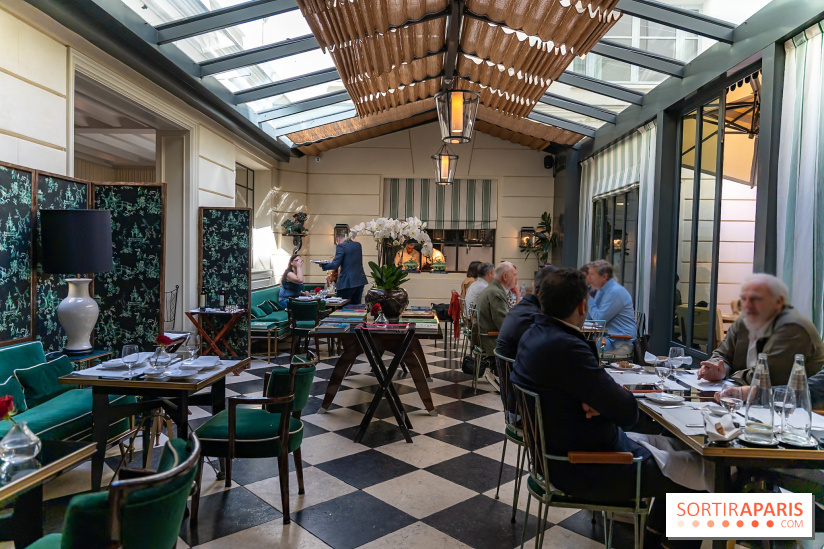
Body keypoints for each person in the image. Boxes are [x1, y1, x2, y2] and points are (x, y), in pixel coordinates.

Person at [510, 269, 700, 549]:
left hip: (555, 457)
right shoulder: (567, 347)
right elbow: (627, 412)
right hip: (588, 466)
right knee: (699, 474)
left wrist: (600, 401)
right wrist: (607, 400)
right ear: (582, 306)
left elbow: (611, 405)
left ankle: (652, 541)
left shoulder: (533, 336)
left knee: (680, 453)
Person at [697, 273, 824, 386]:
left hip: (795, 403)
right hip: (748, 397)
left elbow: (766, 377)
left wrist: (728, 375)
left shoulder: (794, 329)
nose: (747, 305)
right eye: (744, 299)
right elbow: (723, 354)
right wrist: (717, 368)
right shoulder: (744, 322)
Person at [475, 262, 519, 390]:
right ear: (505, 276)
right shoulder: (496, 293)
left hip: (487, 335)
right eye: (514, 274)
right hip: (490, 339)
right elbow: (504, 325)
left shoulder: (494, 289)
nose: (516, 278)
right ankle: (515, 386)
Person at [586, 259, 636, 352]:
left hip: (621, 342)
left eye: (592, 274)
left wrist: (589, 299)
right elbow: (589, 318)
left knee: (586, 351)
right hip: (609, 339)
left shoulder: (615, 292)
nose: (588, 278)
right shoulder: (601, 291)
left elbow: (599, 320)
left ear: (604, 276)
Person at [321, 235, 368, 305]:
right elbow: (349, 261)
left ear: (338, 240)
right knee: (356, 306)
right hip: (359, 281)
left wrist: (323, 265)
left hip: (346, 283)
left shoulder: (341, 246)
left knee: (341, 306)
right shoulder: (358, 245)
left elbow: (335, 264)